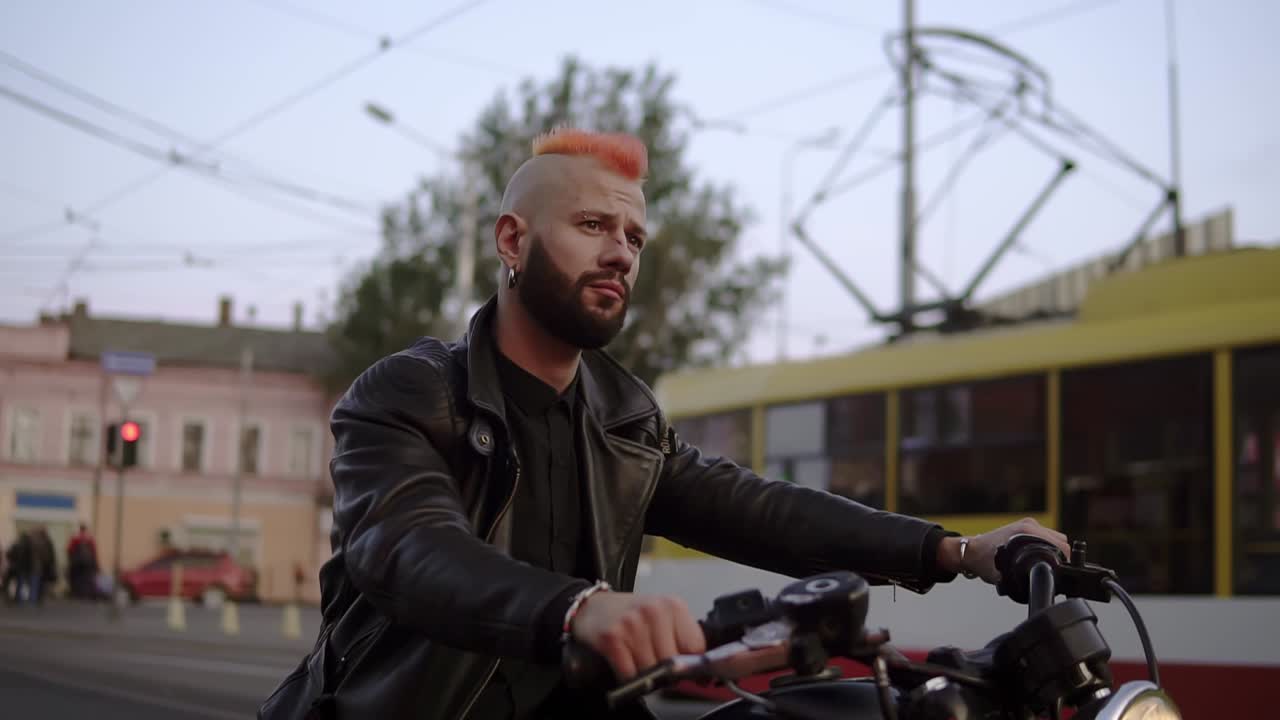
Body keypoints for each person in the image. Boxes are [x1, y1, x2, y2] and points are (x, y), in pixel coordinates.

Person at [258, 128, 1070, 720]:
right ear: (513, 239)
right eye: (592, 227)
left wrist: (957, 550)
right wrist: (579, 609)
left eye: (634, 236)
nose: (621, 253)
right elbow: (409, 549)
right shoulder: (408, 392)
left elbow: (755, 506)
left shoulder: (625, 418)